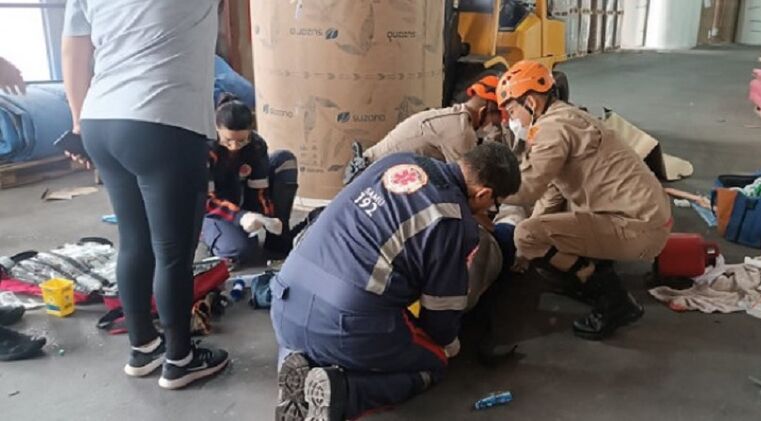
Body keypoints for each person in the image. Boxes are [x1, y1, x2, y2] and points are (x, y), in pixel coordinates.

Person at [272, 142, 521, 421]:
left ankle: (296, 364)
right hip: (344, 322)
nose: (492, 208)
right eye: (495, 203)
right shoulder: (453, 219)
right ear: (484, 193)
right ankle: (344, 393)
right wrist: (449, 344)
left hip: (285, 301)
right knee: (435, 361)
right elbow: (440, 316)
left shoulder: (398, 162)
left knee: (322, 331)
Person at [61, 0, 228, 390]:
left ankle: (143, 347)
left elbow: (73, 47)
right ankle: (180, 360)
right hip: (164, 120)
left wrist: (77, 122)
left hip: (100, 120)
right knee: (173, 253)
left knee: (134, 242)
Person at [496, 60, 673, 341]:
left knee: (526, 236)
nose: (510, 119)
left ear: (529, 101)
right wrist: (531, 238)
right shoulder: (566, 117)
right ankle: (584, 274)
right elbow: (552, 191)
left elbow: (527, 187)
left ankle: (614, 302)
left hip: (637, 227)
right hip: (646, 217)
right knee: (538, 232)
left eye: (511, 109)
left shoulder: (551, 130)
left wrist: (485, 191)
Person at [344, 74, 504, 185]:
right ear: (484, 111)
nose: (495, 129)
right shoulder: (461, 131)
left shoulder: (454, 118)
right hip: (373, 179)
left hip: (372, 173)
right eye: (496, 123)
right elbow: (467, 185)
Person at [202, 94, 298, 264]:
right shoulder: (205, 148)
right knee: (240, 250)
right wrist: (241, 217)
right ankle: (208, 236)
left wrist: (268, 217)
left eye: (241, 141)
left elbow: (259, 189)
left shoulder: (255, 145)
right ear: (216, 128)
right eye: (228, 140)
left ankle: (278, 238)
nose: (233, 147)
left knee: (285, 160)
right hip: (212, 210)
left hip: (241, 197)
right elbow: (207, 200)